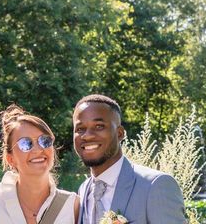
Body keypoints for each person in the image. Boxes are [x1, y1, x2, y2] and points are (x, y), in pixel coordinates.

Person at [72, 94, 186, 224]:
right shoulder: (83, 190)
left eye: (99, 126)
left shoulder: (156, 186)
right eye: (80, 129)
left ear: (120, 133)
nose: (87, 136)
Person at [0, 105, 79, 224]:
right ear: (10, 159)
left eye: (44, 140)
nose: (38, 150)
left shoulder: (73, 206)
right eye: (25, 143)